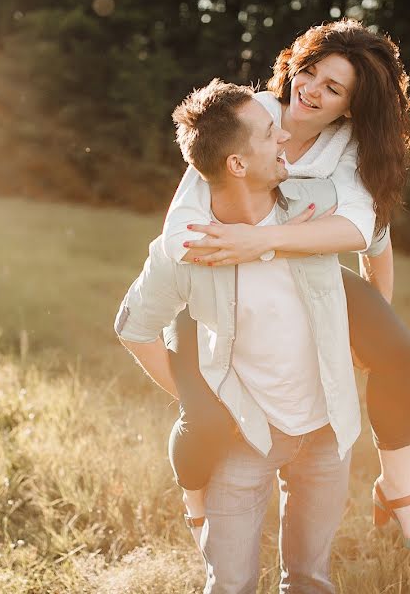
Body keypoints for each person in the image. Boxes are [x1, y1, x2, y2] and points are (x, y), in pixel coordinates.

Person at [161, 19, 410, 561]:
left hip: (301, 277)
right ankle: (196, 501)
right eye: (310, 72)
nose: (311, 89)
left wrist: (262, 243)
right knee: (206, 418)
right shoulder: (247, 114)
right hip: (216, 276)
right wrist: (237, 247)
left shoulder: (350, 148)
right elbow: (181, 227)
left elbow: (365, 232)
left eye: (333, 88)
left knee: (396, 347)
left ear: (351, 108)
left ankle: (397, 489)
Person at [117, 78, 361, 593]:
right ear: (236, 164)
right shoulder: (187, 248)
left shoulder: (314, 213)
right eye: (270, 132)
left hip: (326, 433)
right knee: (230, 587)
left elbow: (370, 222)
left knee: (312, 581)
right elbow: (134, 329)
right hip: (245, 437)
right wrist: (203, 404)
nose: (284, 140)